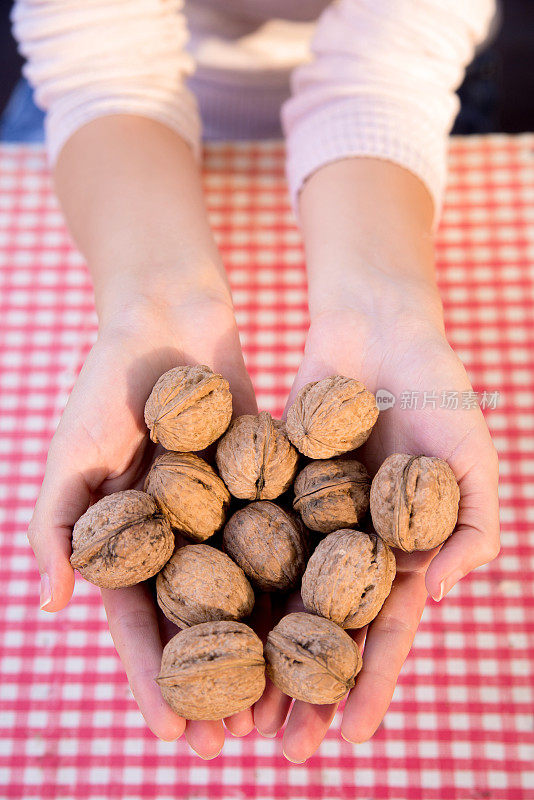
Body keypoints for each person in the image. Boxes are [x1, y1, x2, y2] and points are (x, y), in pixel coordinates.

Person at [13, 0, 500, 762]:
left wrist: (388, 305)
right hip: (113, 141)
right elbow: (99, 58)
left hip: (388, 145)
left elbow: (388, 67)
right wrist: (154, 302)